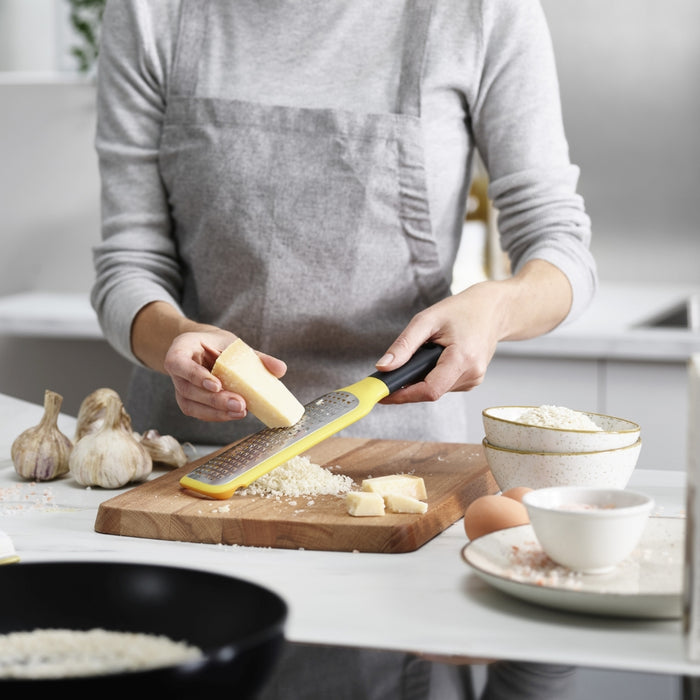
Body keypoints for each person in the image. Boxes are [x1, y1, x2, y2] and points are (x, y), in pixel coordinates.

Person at [91, 0, 596, 698]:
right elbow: (128, 262)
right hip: (189, 477)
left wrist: (497, 307)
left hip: (402, 484)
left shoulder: (481, 13)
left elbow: (561, 246)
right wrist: (172, 337)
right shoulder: (152, 13)